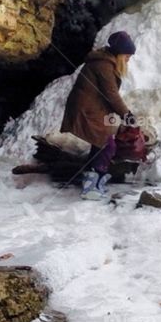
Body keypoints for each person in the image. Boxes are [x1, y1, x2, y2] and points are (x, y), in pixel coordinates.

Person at [61, 31, 136, 199]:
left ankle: (93, 178)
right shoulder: (104, 65)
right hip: (86, 110)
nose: (129, 59)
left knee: (100, 142)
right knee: (108, 145)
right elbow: (112, 95)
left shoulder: (105, 62)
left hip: (93, 108)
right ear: (118, 53)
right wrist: (127, 115)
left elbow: (107, 96)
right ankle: (91, 184)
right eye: (127, 55)